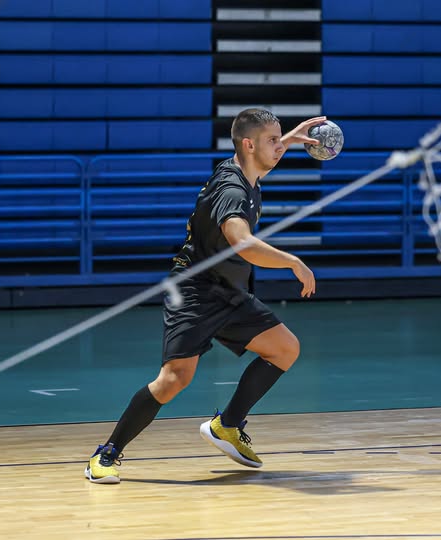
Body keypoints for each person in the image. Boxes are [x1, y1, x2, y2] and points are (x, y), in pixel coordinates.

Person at [85, 108, 325, 483]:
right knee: (173, 380)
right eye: (272, 141)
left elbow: (261, 163)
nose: (278, 147)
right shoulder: (231, 190)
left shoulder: (242, 169)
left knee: (284, 348)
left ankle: (227, 425)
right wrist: (292, 261)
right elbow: (241, 242)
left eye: (279, 140)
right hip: (195, 292)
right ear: (249, 145)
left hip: (228, 291)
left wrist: (289, 140)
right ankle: (106, 454)